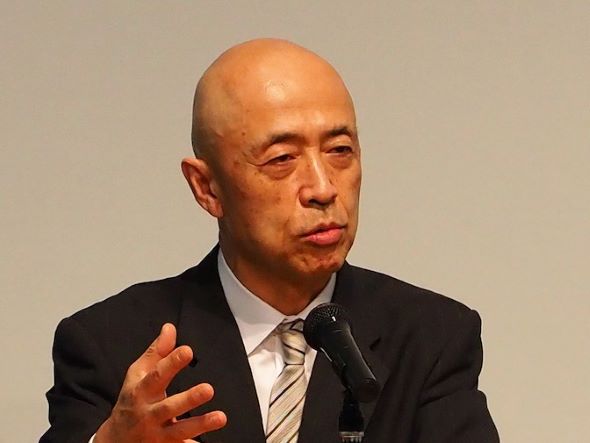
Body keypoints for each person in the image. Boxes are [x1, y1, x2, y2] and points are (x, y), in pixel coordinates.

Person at [41, 39, 499, 442]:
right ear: (207, 187)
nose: (323, 188)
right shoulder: (112, 345)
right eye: (281, 159)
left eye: (340, 151)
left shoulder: (430, 338)